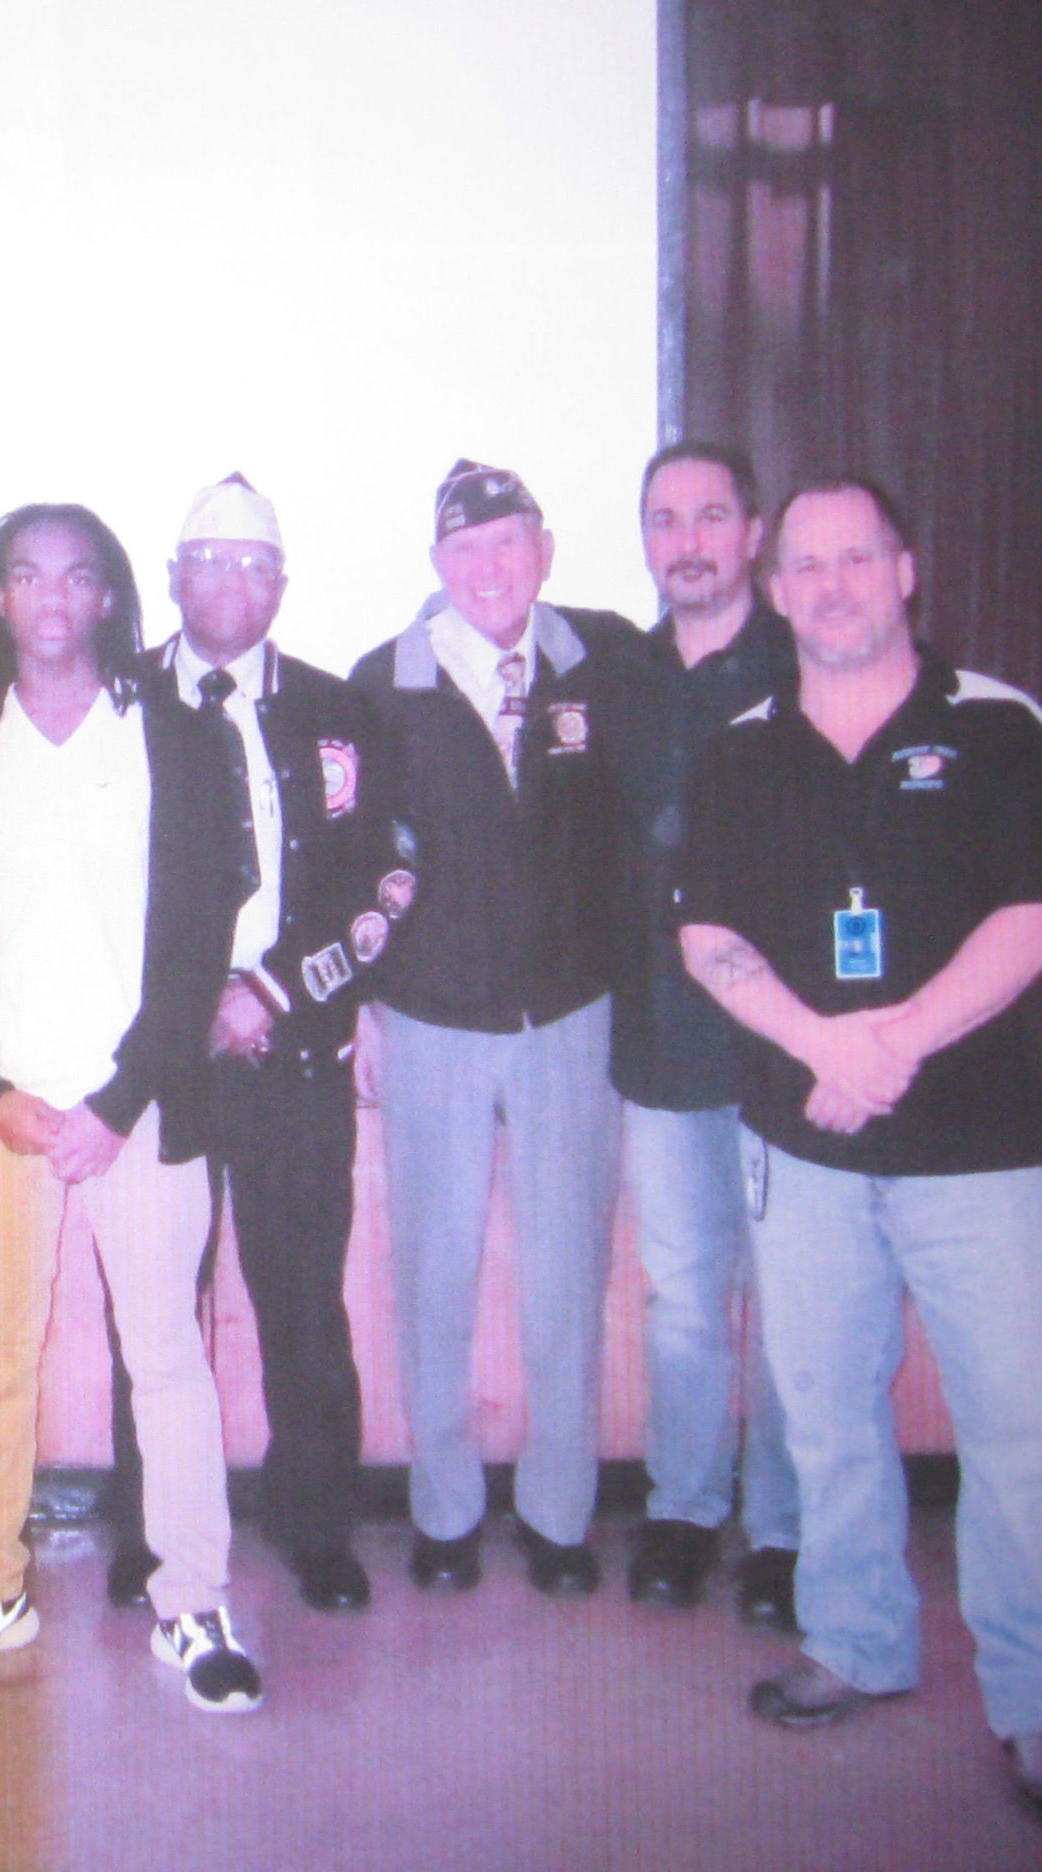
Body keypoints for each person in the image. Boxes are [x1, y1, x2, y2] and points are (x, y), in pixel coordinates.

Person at [675, 477, 1042, 1818]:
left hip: (986, 1145)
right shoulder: (741, 747)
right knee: (827, 1416)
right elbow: (705, 934)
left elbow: (1030, 915)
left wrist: (890, 1041)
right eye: (806, 567)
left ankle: (1037, 1701)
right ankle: (856, 1642)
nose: (829, 586)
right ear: (775, 592)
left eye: (856, 560)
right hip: (806, 1144)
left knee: (1022, 1433)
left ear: (905, 571)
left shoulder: (1002, 729)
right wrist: (824, 1048)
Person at [0, 504, 258, 1710]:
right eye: (24, 575)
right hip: (4, 1114)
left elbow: (198, 941)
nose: (51, 597)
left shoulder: (176, 740)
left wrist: (119, 1099)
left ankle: (192, 1603)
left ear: (108, 595)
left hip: (138, 1112)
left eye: (75, 576)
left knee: (165, 1359)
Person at [103, 474, 410, 1616]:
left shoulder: (340, 711)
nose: (230, 581)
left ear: (282, 584)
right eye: (208, 560)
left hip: (290, 1054)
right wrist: (181, 1010)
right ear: (172, 577)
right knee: (151, 1305)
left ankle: (316, 1526)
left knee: (300, 1302)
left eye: (254, 563)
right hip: (158, 1062)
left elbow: (389, 873)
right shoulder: (114, 702)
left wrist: (276, 991)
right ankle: (149, 1529)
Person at [349, 459, 644, 1597]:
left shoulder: (603, 662)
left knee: (568, 1272)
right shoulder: (386, 684)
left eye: (508, 543)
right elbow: (360, 861)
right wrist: (368, 1004)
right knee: (434, 1273)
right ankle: (443, 1511)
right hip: (431, 1019)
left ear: (544, 549)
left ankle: (561, 1517)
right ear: (436, 565)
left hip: (571, 1012)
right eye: (464, 550)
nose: (488, 568)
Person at [614, 442, 801, 1626]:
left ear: (752, 530)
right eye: (663, 519)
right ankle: (683, 1511)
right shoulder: (615, 677)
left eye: (710, 516)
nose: (686, 540)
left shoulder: (805, 663)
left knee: (792, 1301)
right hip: (657, 1043)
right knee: (682, 1296)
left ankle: (782, 1533)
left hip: (787, 1046)